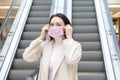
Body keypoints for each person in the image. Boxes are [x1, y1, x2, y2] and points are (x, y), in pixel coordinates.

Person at [23, 13, 82, 80]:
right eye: (51, 25)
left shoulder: (74, 45)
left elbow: (72, 60)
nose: (54, 27)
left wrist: (69, 37)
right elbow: (27, 56)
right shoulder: (45, 46)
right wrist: (41, 37)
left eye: (58, 24)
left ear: (66, 28)